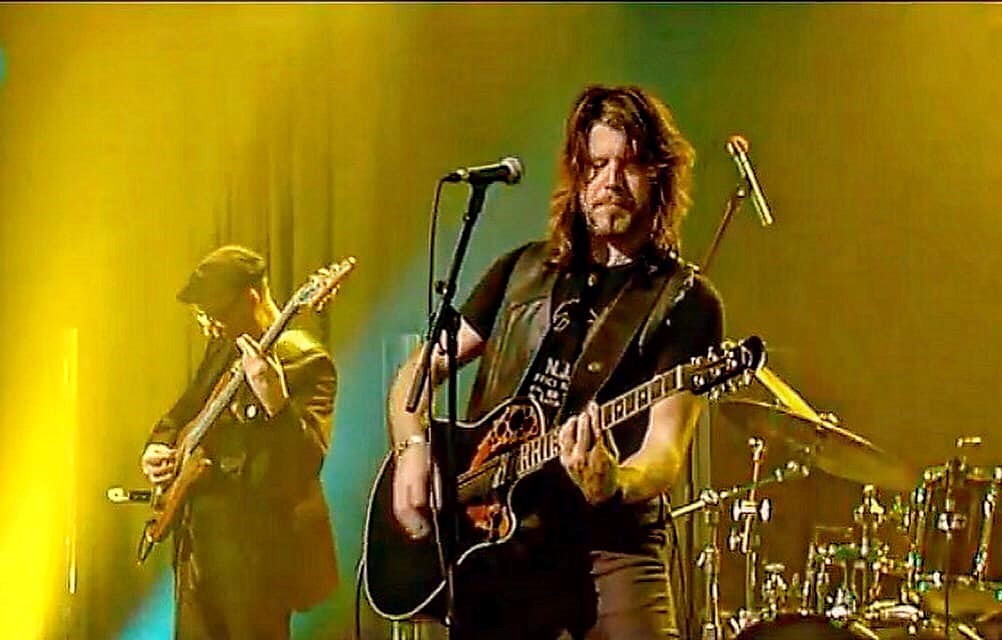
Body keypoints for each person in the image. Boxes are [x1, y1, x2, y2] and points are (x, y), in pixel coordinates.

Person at [386, 84, 725, 639]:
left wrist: (614, 482)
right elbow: (416, 375)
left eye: (630, 165)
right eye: (597, 164)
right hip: (498, 537)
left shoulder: (682, 299)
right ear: (578, 175)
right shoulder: (522, 271)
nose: (611, 181)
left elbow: (665, 451)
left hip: (608, 543)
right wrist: (412, 450)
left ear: (658, 177)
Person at [141, 245, 339, 640]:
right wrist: (157, 447)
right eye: (202, 316)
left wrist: (276, 402)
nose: (209, 326)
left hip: (257, 560)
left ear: (250, 298)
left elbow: (307, 461)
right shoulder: (222, 350)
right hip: (198, 551)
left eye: (215, 314)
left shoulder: (307, 362)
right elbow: (180, 414)